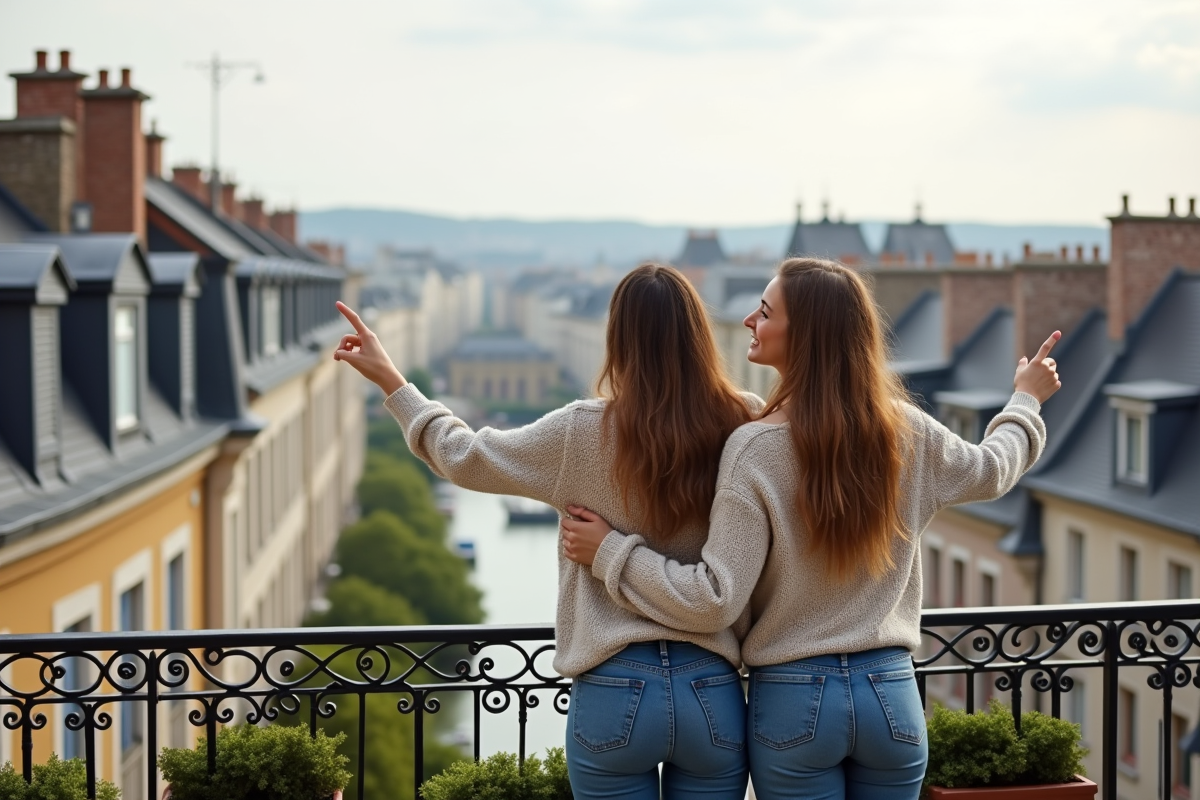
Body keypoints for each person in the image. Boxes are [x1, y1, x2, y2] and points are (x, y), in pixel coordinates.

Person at [560, 257, 1062, 800]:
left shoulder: (755, 449)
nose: (751, 321)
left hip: (794, 697)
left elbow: (717, 596)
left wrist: (611, 551)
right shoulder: (908, 432)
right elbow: (993, 468)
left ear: (806, 335)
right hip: (891, 693)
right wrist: (1025, 399)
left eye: (765, 312)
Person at [331, 263, 762, 800]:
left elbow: (464, 456)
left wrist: (394, 383)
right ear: (700, 336)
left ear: (617, 339)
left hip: (612, 682)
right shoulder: (747, 422)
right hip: (712, 690)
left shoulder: (582, 431)